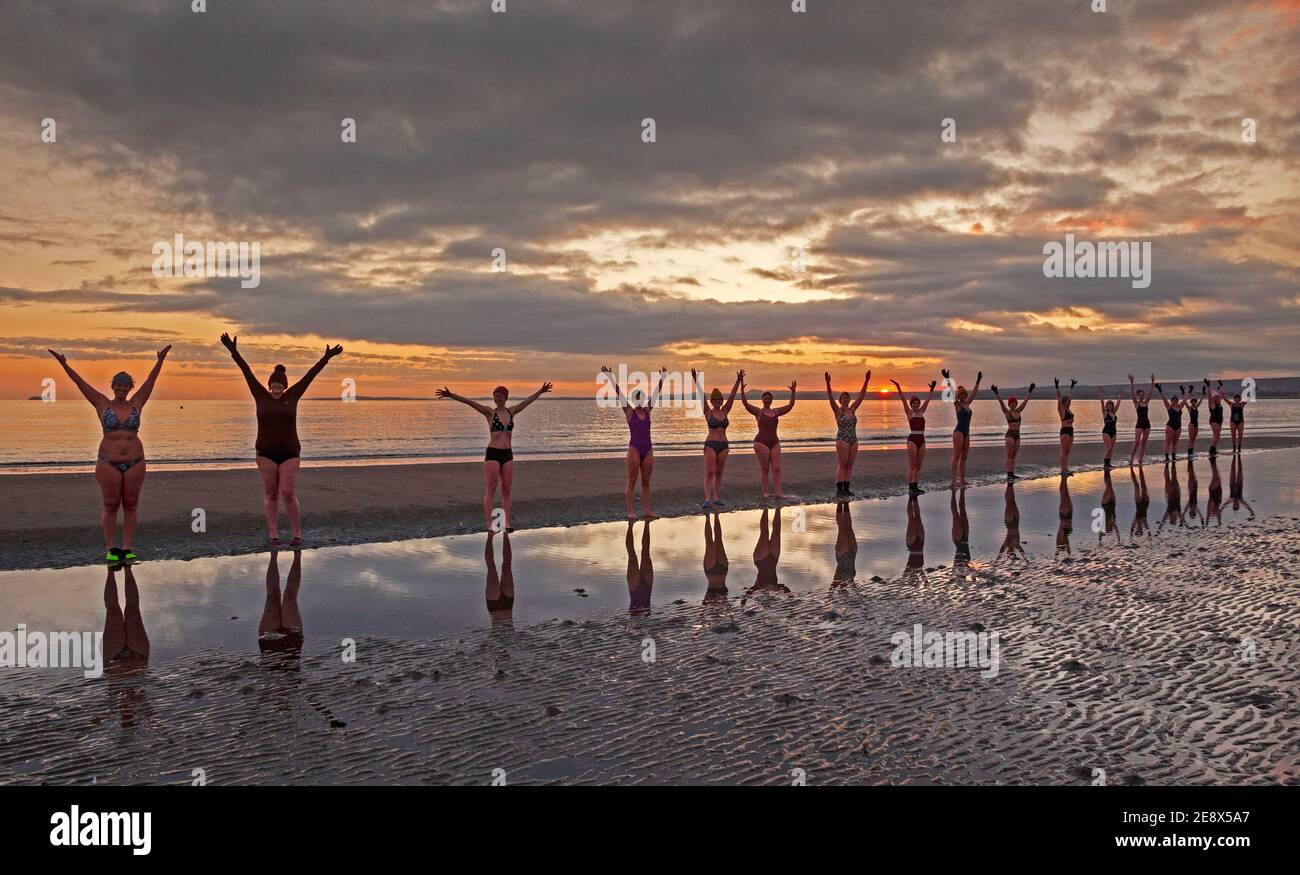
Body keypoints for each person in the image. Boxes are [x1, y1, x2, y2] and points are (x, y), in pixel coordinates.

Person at [48, 345, 172, 563]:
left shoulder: (137, 403)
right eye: (118, 385)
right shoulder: (101, 403)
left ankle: (127, 547)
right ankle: (111, 548)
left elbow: (151, 382)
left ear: (130, 388)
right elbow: (80, 383)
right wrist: (64, 364)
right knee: (111, 504)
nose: (122, 388)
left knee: (131, 503)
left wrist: (160, 360)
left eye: (125, 385)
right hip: (108, 462)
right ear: (113, 386)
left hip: (135, 461)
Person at [222, 334, 342, 546]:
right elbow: (246, 372)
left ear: (285, 387)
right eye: (273, 386)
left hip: (290, 453)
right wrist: (233, 351)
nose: (276, 389)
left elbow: (310, 375)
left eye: (280, 386)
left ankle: (296, 534)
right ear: (269, 386)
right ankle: (273, 534)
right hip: (265, 453)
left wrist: (327, 358)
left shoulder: (293, 396)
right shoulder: (260, 396)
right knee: (270, 494)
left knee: (287, 493)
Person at [437, 380, 553, 532]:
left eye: (499, 396)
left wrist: (540, 391)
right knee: (491, 488)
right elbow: (470, 402)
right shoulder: (489, 413)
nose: (497, 399)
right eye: (495, 397)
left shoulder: (512, 411)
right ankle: (489, 524)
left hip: (507, 454)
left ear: (505, 398)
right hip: (493, 453)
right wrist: (451, 395)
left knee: (506, 490)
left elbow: (527, 402)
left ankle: (506, 523)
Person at [602, 366, 666, 519]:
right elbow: (619, 393)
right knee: (632, 480)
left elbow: (656, 394)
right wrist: (610, 377)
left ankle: (647, 510)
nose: (639, 401)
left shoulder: (647, 410)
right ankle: (631, 511)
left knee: (646, 481)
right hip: (634, 449)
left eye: (641, 399)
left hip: (648, 449)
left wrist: (662, 378)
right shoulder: (629, 411)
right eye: (636, 399)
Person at [694, 368, 744, 509]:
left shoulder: (725, 410)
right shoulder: (708, 412)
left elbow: (733, 395)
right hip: (711, 444)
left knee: (719, 473)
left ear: (721, 400)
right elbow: (701, 396)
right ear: (712, 401)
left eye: (719, 399)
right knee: (710, 471)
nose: (717, 400)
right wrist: (696, 380)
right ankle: (707, 498)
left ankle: (716, 497)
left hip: (724, 446)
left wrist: (738, 380)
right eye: (714, 399)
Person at [740, 379, 797, 499]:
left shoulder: (776, 412)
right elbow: (745, 404)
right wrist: (742, 389)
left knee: (776, 469)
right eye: (765, 398)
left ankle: (778, 493)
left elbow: (790, 406)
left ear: (772, 400)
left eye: (769, 398)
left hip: (775, 442)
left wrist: (793, 392)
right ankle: (766, 493)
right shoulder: (758, 412)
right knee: (764, 468)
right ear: (762, 400)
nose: (767, 400)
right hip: (761, 443)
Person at [825, 370, 871, 496]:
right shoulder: (838, 410)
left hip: (853, 440)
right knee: (842, 464)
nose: (845, 399)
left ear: (850, 399)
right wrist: (828, 383)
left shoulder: (853, 408)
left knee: (850, 465)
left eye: (847, 397)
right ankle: (839, 489)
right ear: (840, 400)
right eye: (843, 398)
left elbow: (861, 396)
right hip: (842, 440)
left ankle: (847, 488)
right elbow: (830, 396)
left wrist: (866, 381)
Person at [891, 378, 936, 494]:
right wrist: (898, 387)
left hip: (922, 439)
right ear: (911, 404)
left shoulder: (921, 411)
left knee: (919, 464)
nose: (916, 404)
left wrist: (932, 389)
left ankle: (916, 486)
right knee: (912, 464)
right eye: (914, 403)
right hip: (912, 440)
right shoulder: (909, 412)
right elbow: (902, 399)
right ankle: (911, 487)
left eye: (917, 403)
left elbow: (928, 401)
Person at [943, 368, 981, 488]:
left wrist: (978, 381)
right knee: (956, 456)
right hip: (958, 432)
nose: (964, 396)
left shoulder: (967, 404)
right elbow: (952, 392)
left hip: (967, 433)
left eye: (965, 394)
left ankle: (963, 479)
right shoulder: (957, 404)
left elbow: (974, 394)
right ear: (958, 396)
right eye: (962, 395)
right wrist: (948, 379)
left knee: (964, 457)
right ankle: (954, 480)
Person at [990, 382, 1034, 480]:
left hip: (1017, 435)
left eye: (1015, 402)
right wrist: (996, 393)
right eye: (1011, 402)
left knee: (1014, 455)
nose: (1013, 404)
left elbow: (1025, 402)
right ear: (1009, 404)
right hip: (1010, 435)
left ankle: (1012, 473)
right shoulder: (1007, 412)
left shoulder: (1018, 411)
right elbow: (1001, 403)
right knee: (1009, 455)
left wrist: (1030, 391)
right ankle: (1009, 474)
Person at [1128, 374, 1155, 466]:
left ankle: (1140, 459)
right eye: (1140, 395)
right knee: (1137, 442)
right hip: (1139, 424)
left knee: (1143, 442)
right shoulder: (1136, 403)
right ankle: (1131, 458)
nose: (1142, 396)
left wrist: (1152, 381)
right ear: (1138, 395)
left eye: (1143, 395)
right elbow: (1132, 394)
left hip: (1147, 424)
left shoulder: (1146, 402)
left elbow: (1151, 393)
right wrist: (1132, 382)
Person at [702, 513, 730, 604]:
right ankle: (716, 515)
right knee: (719, 540)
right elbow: (729, 606)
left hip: (711, 572)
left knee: (709, 542)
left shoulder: (708, 600)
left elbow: (703, 604)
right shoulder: (725, 602)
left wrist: (710, 603)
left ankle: (707, 517)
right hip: (723, 570)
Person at [1155, 381, 1185, 462]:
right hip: (1170, 427)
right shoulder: (1169, 407)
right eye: (1173, 400)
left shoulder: (1180, 406)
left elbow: (1185, 400)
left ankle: (1174, 456)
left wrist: (1183, 392)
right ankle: (1167, 457)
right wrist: (1160, 390)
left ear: (1177, 401)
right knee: (1168, 442)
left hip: (1178, 427)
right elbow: (1164, 399)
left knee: (1175, 443)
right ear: (1171, 401)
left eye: (1176, 400)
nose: (1174, 401)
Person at [1055, 377, 1077, 476]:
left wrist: (1072, 387)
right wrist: (1057, 387)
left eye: (1069, 400)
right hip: (1064, 431)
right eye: (1067, 400)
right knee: (1064, 450)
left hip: (1071, 431)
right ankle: (1063, 470)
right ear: (1064, 402)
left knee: (1067, 451)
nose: (1069, 401)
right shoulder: (1062, 409)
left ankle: (1066, 469)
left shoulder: (1068, 409)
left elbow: (1070, 396)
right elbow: (1059, 397)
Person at [1098, 388, 1123, 469]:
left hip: (1114, 432)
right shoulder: (1105, 413)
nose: (1109, 406)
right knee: (1108, 448)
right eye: (1108, 405)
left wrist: (1120, 397)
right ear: (1106, 406)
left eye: (1111, 405)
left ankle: (1108, 464)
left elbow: (1118, 404)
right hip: (1106, 432)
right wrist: (1101, 395)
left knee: (1111, 449)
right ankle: (1105, 464)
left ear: (1112, 406)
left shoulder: (1114, 412)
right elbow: (1102, 403)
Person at [1204, 379, 1226, 456]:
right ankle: (1211, 449)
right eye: (1215, 397)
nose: (1217, 397)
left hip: (1219, 421)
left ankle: (1214, 449)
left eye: (1217, 396)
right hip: (1214, 421)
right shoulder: (1212, 403)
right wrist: (1208, 385)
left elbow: (1221, 393)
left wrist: (1221, 385)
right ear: (1213, 398)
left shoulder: (1219, 402)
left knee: (1217, 435)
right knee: (1216, 434)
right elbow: (1209, 395)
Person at [1183, 386, 1201, 456]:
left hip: (1196, 424)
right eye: (1192, 401)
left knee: (1194, 438)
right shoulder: (1189, 408)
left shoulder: (1196, 407)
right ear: (1191, 402)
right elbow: (1185, 402)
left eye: (1194, 401)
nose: (1193, 402)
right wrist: (1183, 393)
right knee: (1191, 438)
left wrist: (1203, 394)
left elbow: (1200, 401)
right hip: (1191, 424)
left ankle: (1192, 451)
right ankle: (1189, 452)